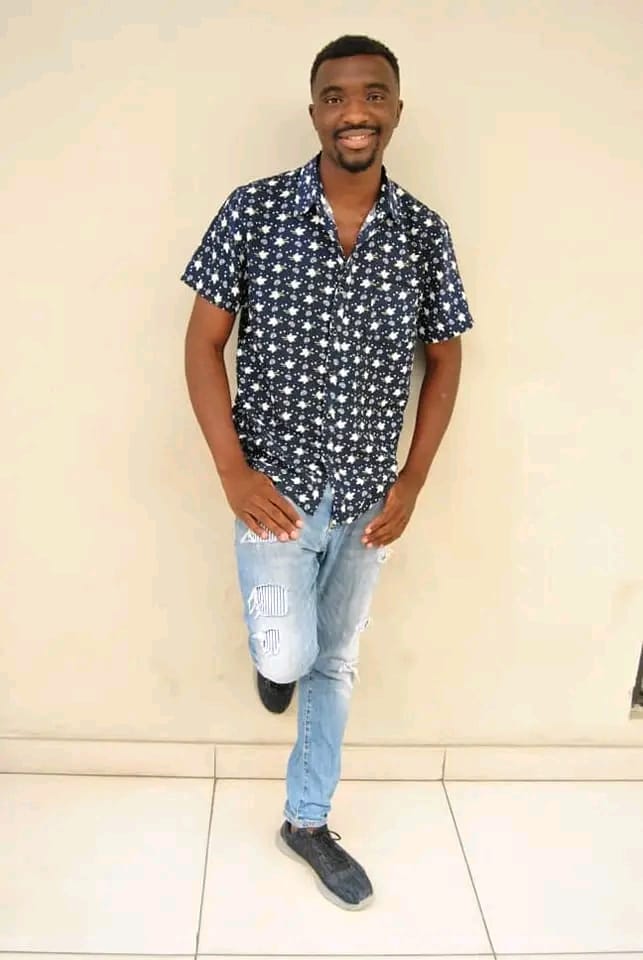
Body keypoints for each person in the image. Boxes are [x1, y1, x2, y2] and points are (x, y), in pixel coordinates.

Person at [181, 34, 474, 911]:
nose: (355, 112)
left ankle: (306, 821)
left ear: (395, 110)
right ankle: (276, 660)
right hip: (272, 493)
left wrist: (411, 482)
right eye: (337, 96)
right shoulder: (253, 210)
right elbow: (201, 344)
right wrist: (232, 473)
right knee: (293, 651)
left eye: (372, 95)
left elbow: (445, 359)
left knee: (335, 665)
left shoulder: (423, 233)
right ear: (314, 111)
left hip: (366, 501)